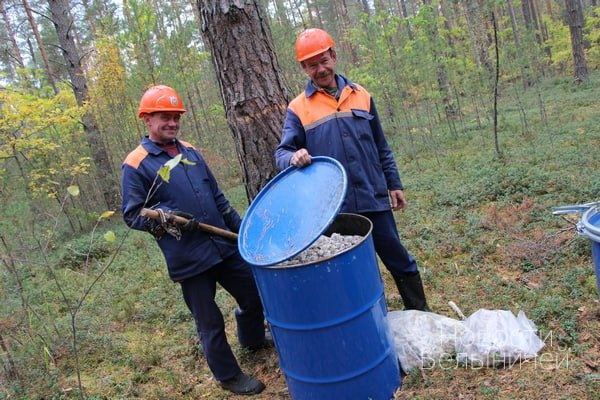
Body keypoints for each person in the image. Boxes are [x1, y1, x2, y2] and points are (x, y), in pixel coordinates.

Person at [121, 85, 268, 395]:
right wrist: (167, 217)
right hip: (189, 258)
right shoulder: (136, 163)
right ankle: (228, 376)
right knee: (209, 322)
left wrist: (242, 230)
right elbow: (133, 214)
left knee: (254, 295)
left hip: (223, 246)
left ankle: (253, 340)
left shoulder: (190, 151)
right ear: (147, 119)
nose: (172, 123)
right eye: (164, 117)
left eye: (176, 117)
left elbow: (216, 196)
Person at [275, 29, 430, 311]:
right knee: (355, 273)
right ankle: (372, 325)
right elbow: (281, 153)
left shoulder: (362, 95)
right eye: (312, 65)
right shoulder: (298, 109)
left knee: (400, 261)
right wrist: (293, 157)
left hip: (373, 195)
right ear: (304, 68)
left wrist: (394, 183)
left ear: (333, 56)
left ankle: (422, 317)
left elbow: (381, 145)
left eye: (324, 60)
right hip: (335, 210)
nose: (320, 69)